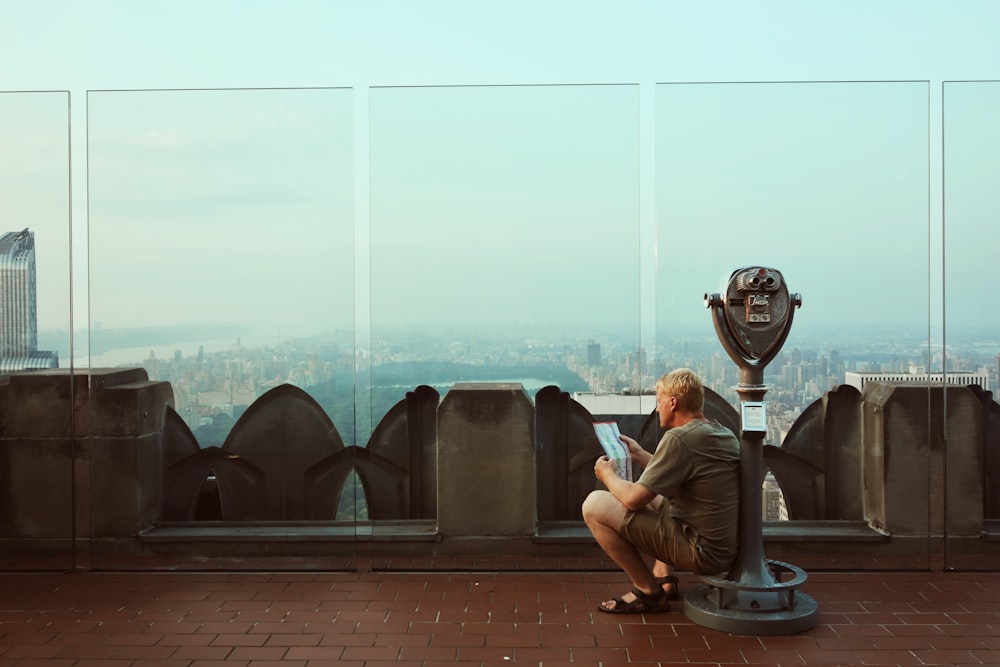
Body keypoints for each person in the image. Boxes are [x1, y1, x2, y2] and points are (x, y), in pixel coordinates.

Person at [582, 367, 741, 614]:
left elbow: (634, 500)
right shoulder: (719, 432)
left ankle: (648, 592)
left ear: (673, 403)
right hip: (721, 546)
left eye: (659, 402)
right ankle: (664, 577)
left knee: (594, 505)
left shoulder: (679, 438)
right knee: (658, 495)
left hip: (700, 551)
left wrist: (607, 475)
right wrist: (641, 455)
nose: (657, 409)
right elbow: (686, 472)